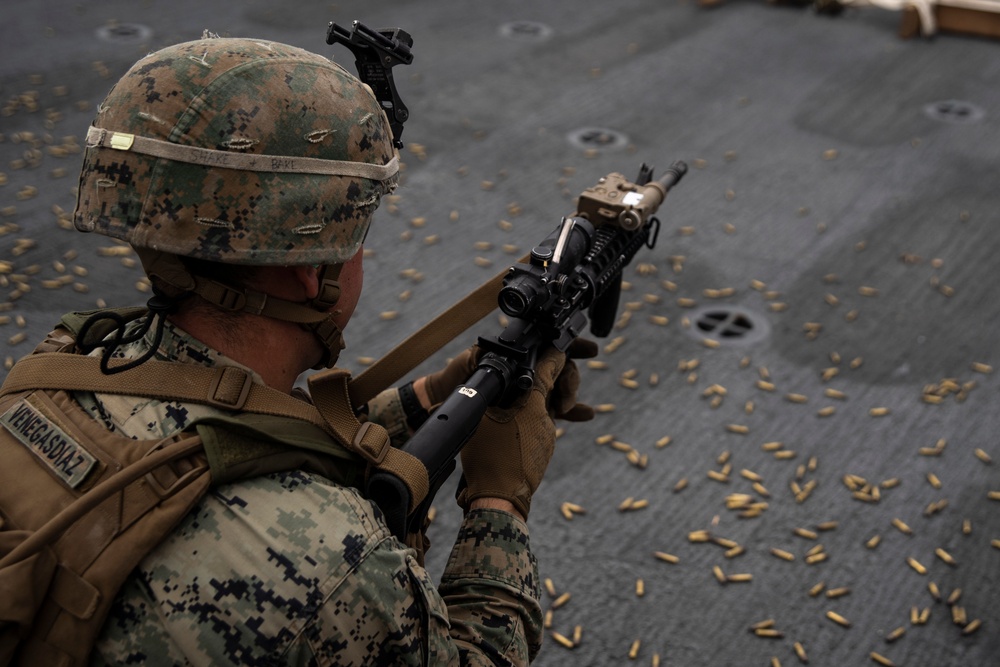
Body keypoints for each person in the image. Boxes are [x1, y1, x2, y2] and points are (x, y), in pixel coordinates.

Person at [22, 34, 591, 665]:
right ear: (308, 269)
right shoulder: (337, 568)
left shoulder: (67, 361)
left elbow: (232, 437)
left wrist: (427, 398)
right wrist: (499, 500)